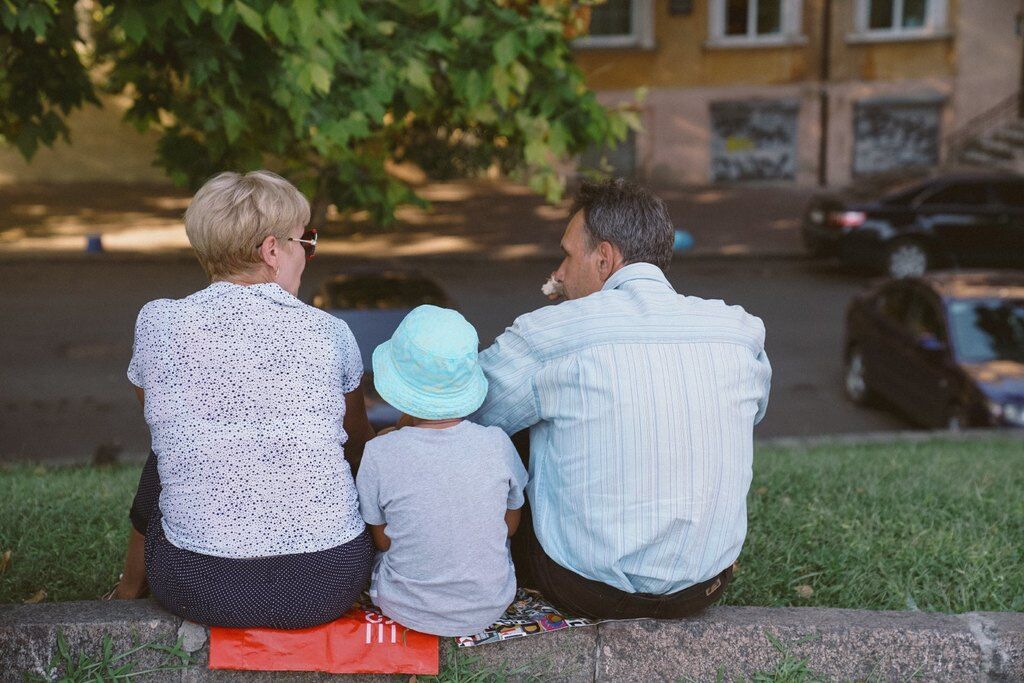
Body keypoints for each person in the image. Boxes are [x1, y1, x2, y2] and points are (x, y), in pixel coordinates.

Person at [473, 178, 772, 620]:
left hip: (583, 587)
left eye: (568, 256)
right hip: (705, 586)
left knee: (504, 427)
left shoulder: (550, 334)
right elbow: (754, 415)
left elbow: (466, 410)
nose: (558, 272)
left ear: (605, 258)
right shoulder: (737, 330)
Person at [107, 170, 375, 629]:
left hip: (198, 584)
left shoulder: (158, 322)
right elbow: (357, 445)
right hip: (326, 582)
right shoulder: (330, 332)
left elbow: (161, 417)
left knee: (171, 453)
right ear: (273, 251)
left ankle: (128, 587)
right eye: (304, 243)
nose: (306, 255)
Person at [355, 305, 528, 636]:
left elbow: (383, 541)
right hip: (490, 603)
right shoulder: (496, 443)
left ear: (397, 384)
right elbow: (509, 528)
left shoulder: (380, 452)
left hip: (404, 605)